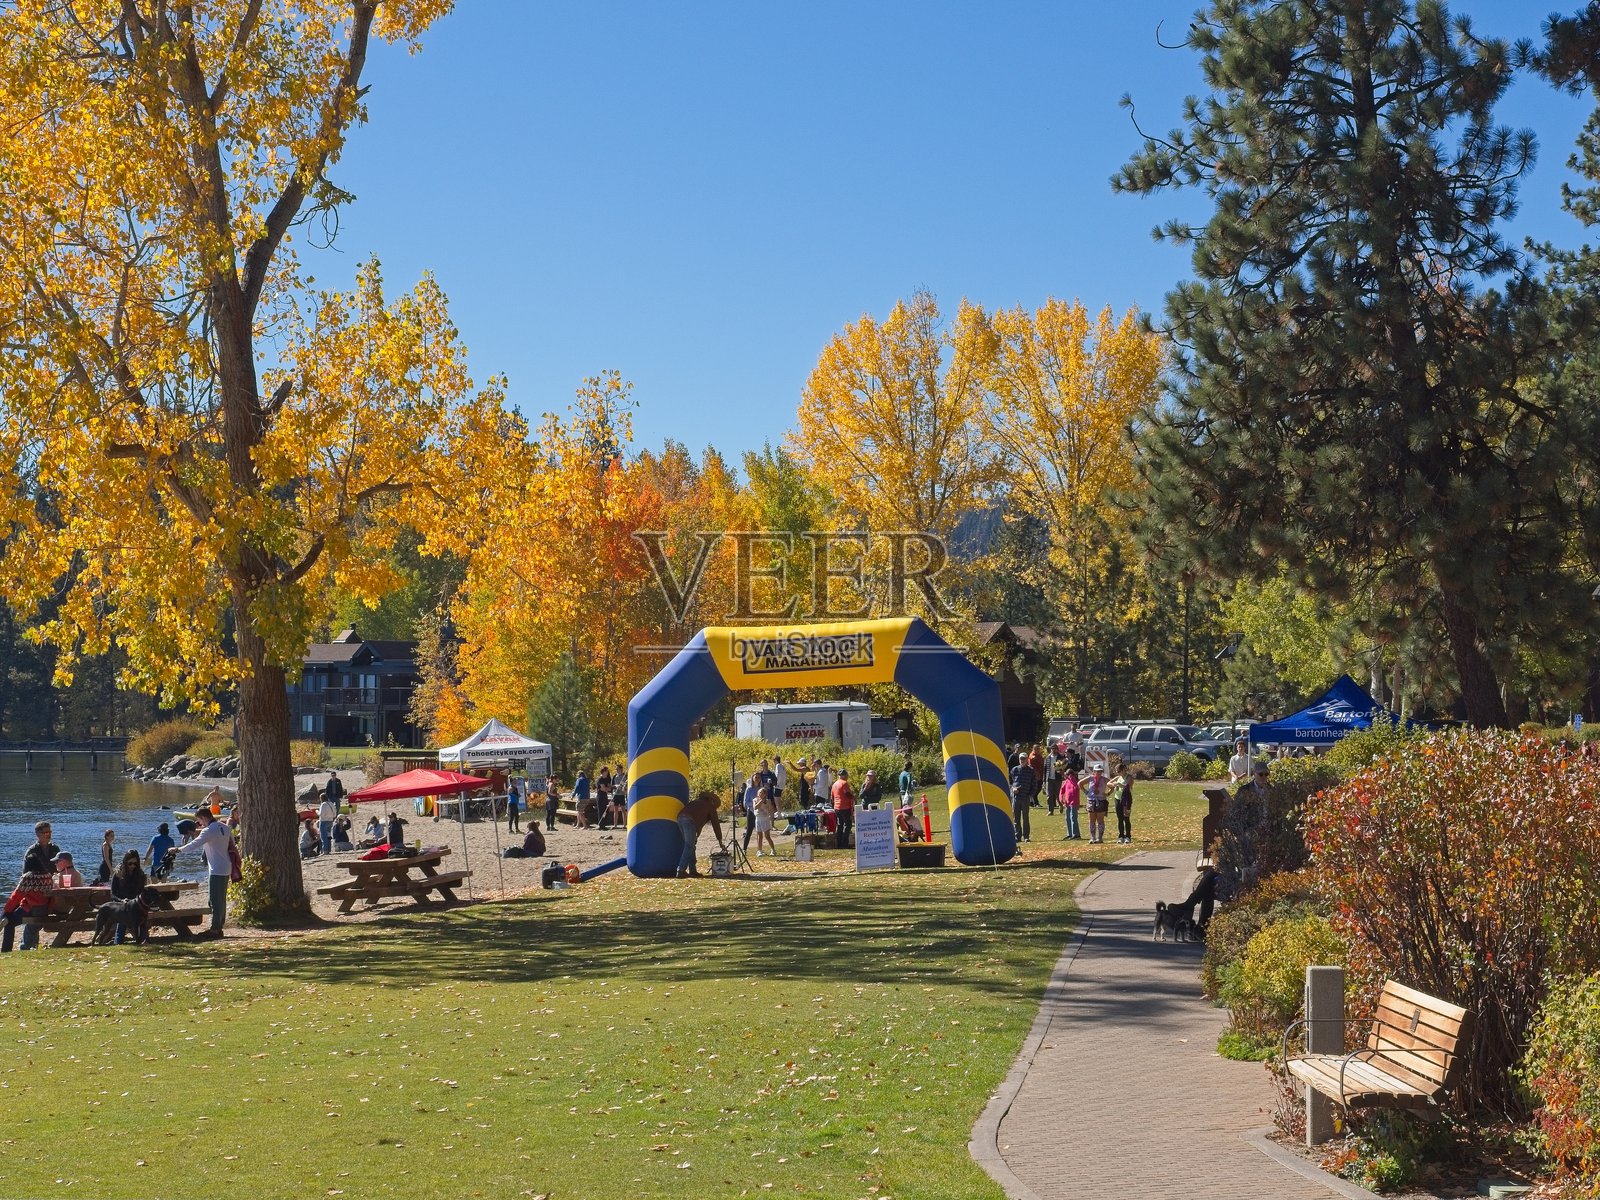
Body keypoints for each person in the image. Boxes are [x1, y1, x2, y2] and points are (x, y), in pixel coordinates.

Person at [174, 806, 232, 938]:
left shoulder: (208, 830)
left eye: (199, 820)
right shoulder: (225, 827)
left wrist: (177, 850)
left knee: (214, 900)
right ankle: (219, 926)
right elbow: (223, 840)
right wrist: (194, 832)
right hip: (226, 866)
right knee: (221, 899)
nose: (199, 823)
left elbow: (194, 845)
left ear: (204, 818)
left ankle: (215, 929)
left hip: (216, 869)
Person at [2, 825, 60, 953]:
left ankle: (8, 949)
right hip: (46, 902)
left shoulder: (54, 848)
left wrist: (6, 910)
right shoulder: (33, 851)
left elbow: (17, 894)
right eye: (46, 832)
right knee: (31, 920)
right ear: (38, 834)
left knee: (9, 920)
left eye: (50, 831)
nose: (48, 834)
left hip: (33, 904)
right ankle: (31, 945)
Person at [675, 791, 726, 878]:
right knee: (689, 846)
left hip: (680, 818)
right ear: (712, 800)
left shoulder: (696, 802)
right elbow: (716, 824)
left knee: (691, 846)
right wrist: (720, 841)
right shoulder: (710, 806)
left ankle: (693, 870)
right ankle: (681, 870)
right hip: (689, 821)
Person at [108, 850, 148, 944]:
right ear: (125, 862)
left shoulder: (140, 875)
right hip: (122, 904)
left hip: (135, 904)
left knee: (140, 914)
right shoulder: (118, 874)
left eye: (135, 863)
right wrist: (121, 900)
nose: (132, 866)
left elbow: (141, 893)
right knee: (124, 914)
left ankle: (143, 939)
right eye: (130, 864)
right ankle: (119, 941)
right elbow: (112, 893)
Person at [1009, 752, 1036, 843]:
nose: (1022, 760)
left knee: (1025, 818)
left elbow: (1034, 784)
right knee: (1016, 818)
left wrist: (1030, 794)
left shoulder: (1031, 770)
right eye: (1021, 759)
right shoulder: (1014, 770)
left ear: (1027, 759)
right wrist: (1013, 789)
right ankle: (1017, 836)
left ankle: (1026, 836)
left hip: (1025, 797)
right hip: (1016, 797)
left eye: (1024, 758)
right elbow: (1011, 782)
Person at [831, 768, 857, 849]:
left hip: (837, 807)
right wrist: (854, 797)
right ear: (845, 776)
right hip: (845, 807)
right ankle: (844, 843)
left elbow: (832, 798)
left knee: (840, 825)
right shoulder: (844, 783)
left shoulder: (834, 784)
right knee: (848, 825)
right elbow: (847, 794)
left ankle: (838, 843)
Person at [1084, 763, 1108, 844]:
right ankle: (1092, 837)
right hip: (1091, 800)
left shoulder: (1104, 779)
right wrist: (1085, 791)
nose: (1098, 773)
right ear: (1094, 771)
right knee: (1092, 820)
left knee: (1100, 820)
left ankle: (1100, 838)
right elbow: (1079, 783)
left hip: (1101, 801)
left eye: (1100, 771)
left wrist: (1108, 793)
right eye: (1097, 771)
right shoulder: (1090, 778)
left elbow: (1112, 785)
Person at [752, 785, 779, 857]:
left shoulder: (768, 801)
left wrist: (772, 819)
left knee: (767, 836)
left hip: (765, 819)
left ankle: (773, 850)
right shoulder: (755, 800)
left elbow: (770, 811)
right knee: (759, 835)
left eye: (762, 793)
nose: (761, 794)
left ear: (765, 794)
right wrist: (761, 801)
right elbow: (755, 807)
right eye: (760, 793)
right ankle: (759, 850)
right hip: (758, 819)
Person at [1112, 765, 1135, 844]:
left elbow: (1128, 786)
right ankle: (1121, 836)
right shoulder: (1118, 778)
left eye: (1118, 771)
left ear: (1123, 770)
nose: (1117, 773)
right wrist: (1114, 786)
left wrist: (1118, 784)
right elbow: (1109, 783)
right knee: (1120, 819)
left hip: (1126, 800)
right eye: (1116, 771)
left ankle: (1128, 836)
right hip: (1118, 799)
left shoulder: (1129, 777)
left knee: (1126, 818)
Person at [1059, 768, 1082, 840]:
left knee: (1073, 818)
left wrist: (1062, 799)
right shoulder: (1067, 781)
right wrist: (1061, 799)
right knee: (1068, 818)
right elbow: (1062, 790)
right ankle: (1070, 834)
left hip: (1073, 803)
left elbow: (1075, 791)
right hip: (1067, 803)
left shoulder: (1074, 781)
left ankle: (1076, 834)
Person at [741, 772, 760, 854]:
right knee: (749, 830)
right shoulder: (749, 789)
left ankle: (759, 849)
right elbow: (745, 802)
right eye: (756, 777)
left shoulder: (760, 788)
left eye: (759, 777)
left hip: (759, 811)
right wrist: (753, 805)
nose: (757, 779)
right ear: (752, 778)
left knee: (759, 831)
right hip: (751, 811)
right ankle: (744, 849)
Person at [318, 787, 338, 855]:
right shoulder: (331, 803)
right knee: (329, 836)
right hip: (330, 821)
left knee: (323, 836)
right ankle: (329, 849)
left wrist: (316, 812)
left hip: (324, 821)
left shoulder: (323, 804)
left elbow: (321, 815)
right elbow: (335, 813)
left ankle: (325, 850)